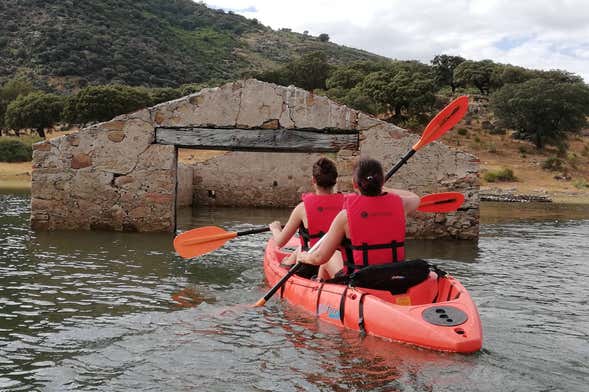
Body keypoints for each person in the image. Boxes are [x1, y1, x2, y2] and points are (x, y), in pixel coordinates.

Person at [297, 157, 420, 280]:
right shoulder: (401, 205)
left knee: (332, 255)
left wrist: (304, 257)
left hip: (360, 281)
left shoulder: (345, 216)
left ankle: (319, 286)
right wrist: (382, 188)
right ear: (381, 182)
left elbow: (319, 258)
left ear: (355, 184)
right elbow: (415, 198)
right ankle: (320, 283)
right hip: (393, 277)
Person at [269, 157, 344, 267]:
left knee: (306, 245)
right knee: (303, 246)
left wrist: (275, 228)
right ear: (335, 180)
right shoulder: (347, 206)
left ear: (313, 180)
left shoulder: (302, 208)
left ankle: (288, 262)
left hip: (310, 263)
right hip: (340, 261)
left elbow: (280, 242)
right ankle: (290, 260)